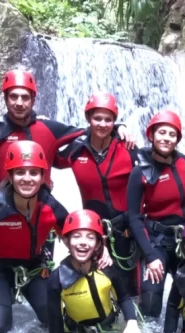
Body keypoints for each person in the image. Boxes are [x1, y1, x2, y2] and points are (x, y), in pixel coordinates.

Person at [0, 141, 110, 333]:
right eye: (20, 172)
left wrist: (101, 249)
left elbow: (75, 236)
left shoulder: (51, 207)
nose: (27, 179)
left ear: (42, 177)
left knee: (56, 320)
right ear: (10, 176)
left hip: (33, 269)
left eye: (34, 173)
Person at [0, 70, 133, 185]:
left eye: (25, 97)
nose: (19, 103)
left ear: (33, 100)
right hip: (1, 209)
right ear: (5, 99)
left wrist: (118, 127)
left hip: (42, 209)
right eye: (14, 96)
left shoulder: (50, 129)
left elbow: (91, 129)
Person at [57, 92, 141, 296]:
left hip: (125, 230)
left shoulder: (127, 148)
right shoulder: (76, 150)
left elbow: (155, 167)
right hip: (92, 231)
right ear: (88, 118)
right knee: (96, 289)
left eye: (108, 120)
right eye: (97, 118)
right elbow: (50, 155)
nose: (103, 124)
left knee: (131, 291)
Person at [127, 110, 185, 319]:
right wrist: (149, 256)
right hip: (157, 240)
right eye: (162, 132)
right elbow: (134, 217)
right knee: (150, 299)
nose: (167, 138)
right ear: (151, 135)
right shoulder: (140, 171)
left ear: (178, 139)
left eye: (172, 134)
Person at [47, 209, 147, 333]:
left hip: (108, 328)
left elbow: (123, 298)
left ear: (98, 244)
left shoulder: (107, 269)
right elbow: (54, 318)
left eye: (90, 237)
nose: (83, 242)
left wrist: (132, 323)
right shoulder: (56, 278)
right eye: (76, 236)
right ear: (67, 241)